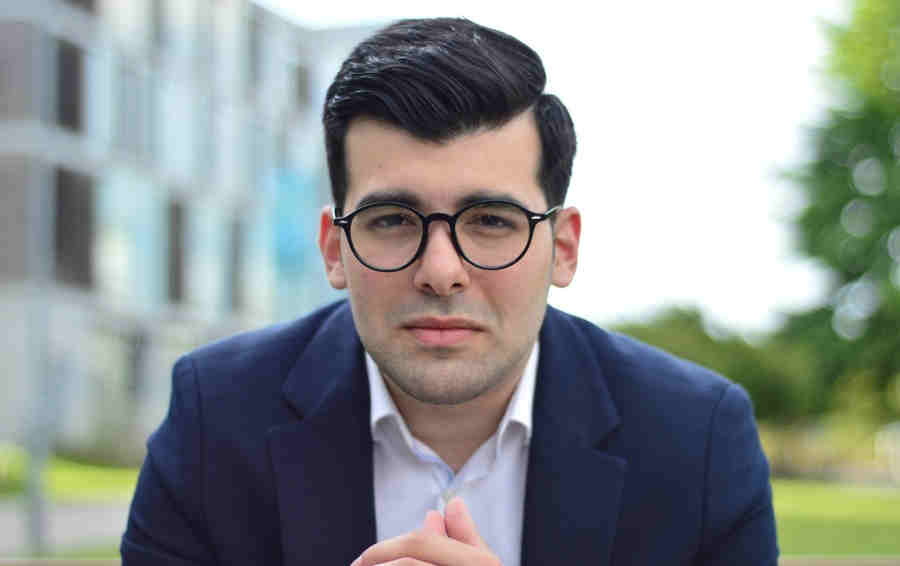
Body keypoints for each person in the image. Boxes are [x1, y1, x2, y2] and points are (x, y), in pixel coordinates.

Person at [121, 17, 778, 566]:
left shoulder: (696, 439)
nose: (441, 270)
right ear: (333, 248)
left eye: (491, 221)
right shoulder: (216, 417)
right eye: (391, 220)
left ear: (564, 248)